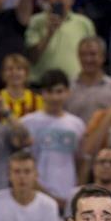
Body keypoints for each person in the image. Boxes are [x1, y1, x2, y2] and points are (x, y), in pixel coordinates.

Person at [19, 69, 85, 207]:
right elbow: (22, 163)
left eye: (59, 91)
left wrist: (77, 192)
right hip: (36, 194)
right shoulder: (27, 123)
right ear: (42, 93)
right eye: (49, 92)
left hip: (69, 195)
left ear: (68, 92)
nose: (55, 97)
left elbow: (80, 162)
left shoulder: (77, 124)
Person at [25, 0, 96, 82]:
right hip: (42, 85)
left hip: (76, 85)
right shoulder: (35, 21)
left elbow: (93, 57)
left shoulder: (84, 23)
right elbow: (32, 57)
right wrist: (49, 34)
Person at [66, 36, 111, 124]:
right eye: (83, 55)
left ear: (103, 57)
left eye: (93, 54)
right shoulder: (68, 86)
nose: (88, 59)